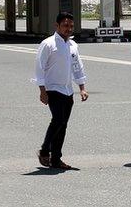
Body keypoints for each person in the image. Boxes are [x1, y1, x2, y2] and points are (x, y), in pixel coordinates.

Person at [34, 12, 88, 170]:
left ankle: (56, 159)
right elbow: (39, 68)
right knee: (57, 120)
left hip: (67, 90)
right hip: (53, 89)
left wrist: (82, 88)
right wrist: (42, 90)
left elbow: (77, 67)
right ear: (57, 26)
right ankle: (45, 150)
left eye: (71, 26)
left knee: (63, 125)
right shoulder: (48, 44)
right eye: (65, 25)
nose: (68, 28)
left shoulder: (73, 45)